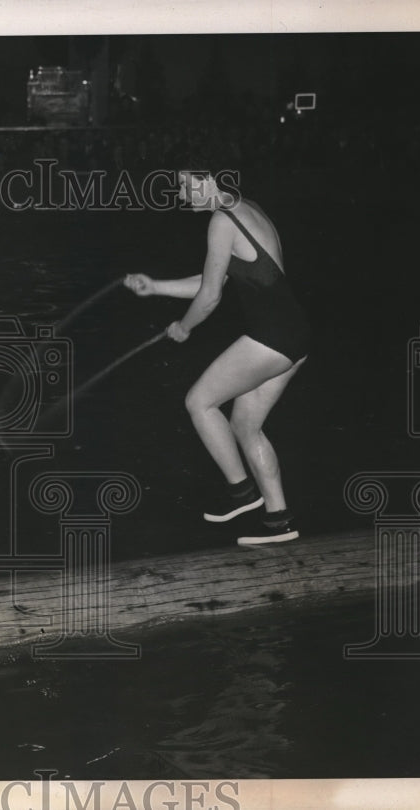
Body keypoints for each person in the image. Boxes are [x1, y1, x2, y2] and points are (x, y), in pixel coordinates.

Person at [124, 168, 310, 545]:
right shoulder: (242, 209)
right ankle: (280, 520)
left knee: (199, 402)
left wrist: (185, 327)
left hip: (270, 338)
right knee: (245, 425)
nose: (181, 195)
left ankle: (242, 493)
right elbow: (210, 280)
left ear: (210, 181)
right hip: (295, 335)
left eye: (187, 185)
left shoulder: (221, 220)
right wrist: (155, 286)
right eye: (179, 187)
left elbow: (209, 298)